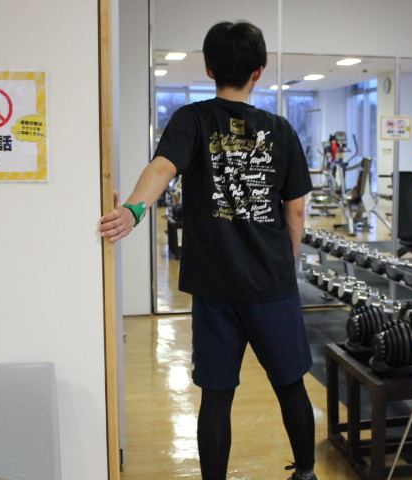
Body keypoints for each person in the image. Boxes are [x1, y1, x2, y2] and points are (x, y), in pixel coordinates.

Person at [99, 21, 317, 480]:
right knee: (290, 386)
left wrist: (135, 210)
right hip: (271, 286)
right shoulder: (281, 130)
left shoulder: (192, 119)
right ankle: (306, 474)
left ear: (209, 68)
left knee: (216, 397)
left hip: (215, 289)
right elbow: (296, 211)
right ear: (259, 71)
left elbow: (162, 168)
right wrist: (285, 265)